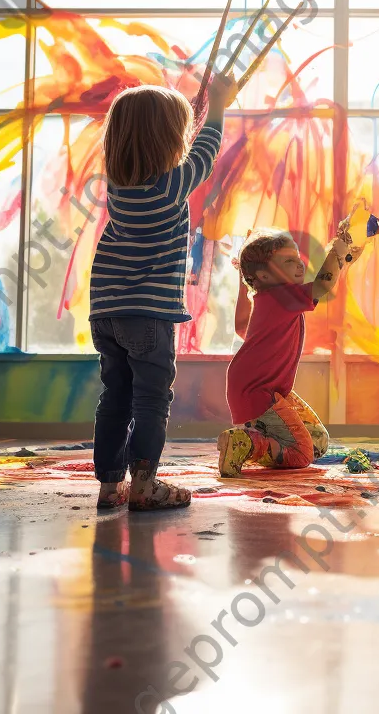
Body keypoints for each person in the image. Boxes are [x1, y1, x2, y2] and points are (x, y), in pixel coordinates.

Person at [91, 72, 237, 511]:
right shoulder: (171, 185)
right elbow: (206, 154)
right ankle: (145, 484)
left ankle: (109, 485)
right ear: (170, 140)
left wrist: (191, 115)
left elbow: (180, 151)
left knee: (115, 396)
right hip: (150, 316)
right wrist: (221, 105)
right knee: (152, 399)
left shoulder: (118, 187)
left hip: (107, 314)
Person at [217, 221, 362, 476]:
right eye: (288, 261)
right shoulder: (283, 296)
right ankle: (245, 443)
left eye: (297, 258)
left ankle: (252, 440)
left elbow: (243, 329)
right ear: (264, 276)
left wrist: (344, 259)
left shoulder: (271, 300)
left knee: (317, 442)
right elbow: (324, 284)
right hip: (257, 392)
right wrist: (338, 248)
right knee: (303, 453)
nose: (299, 264)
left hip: (262, 389)